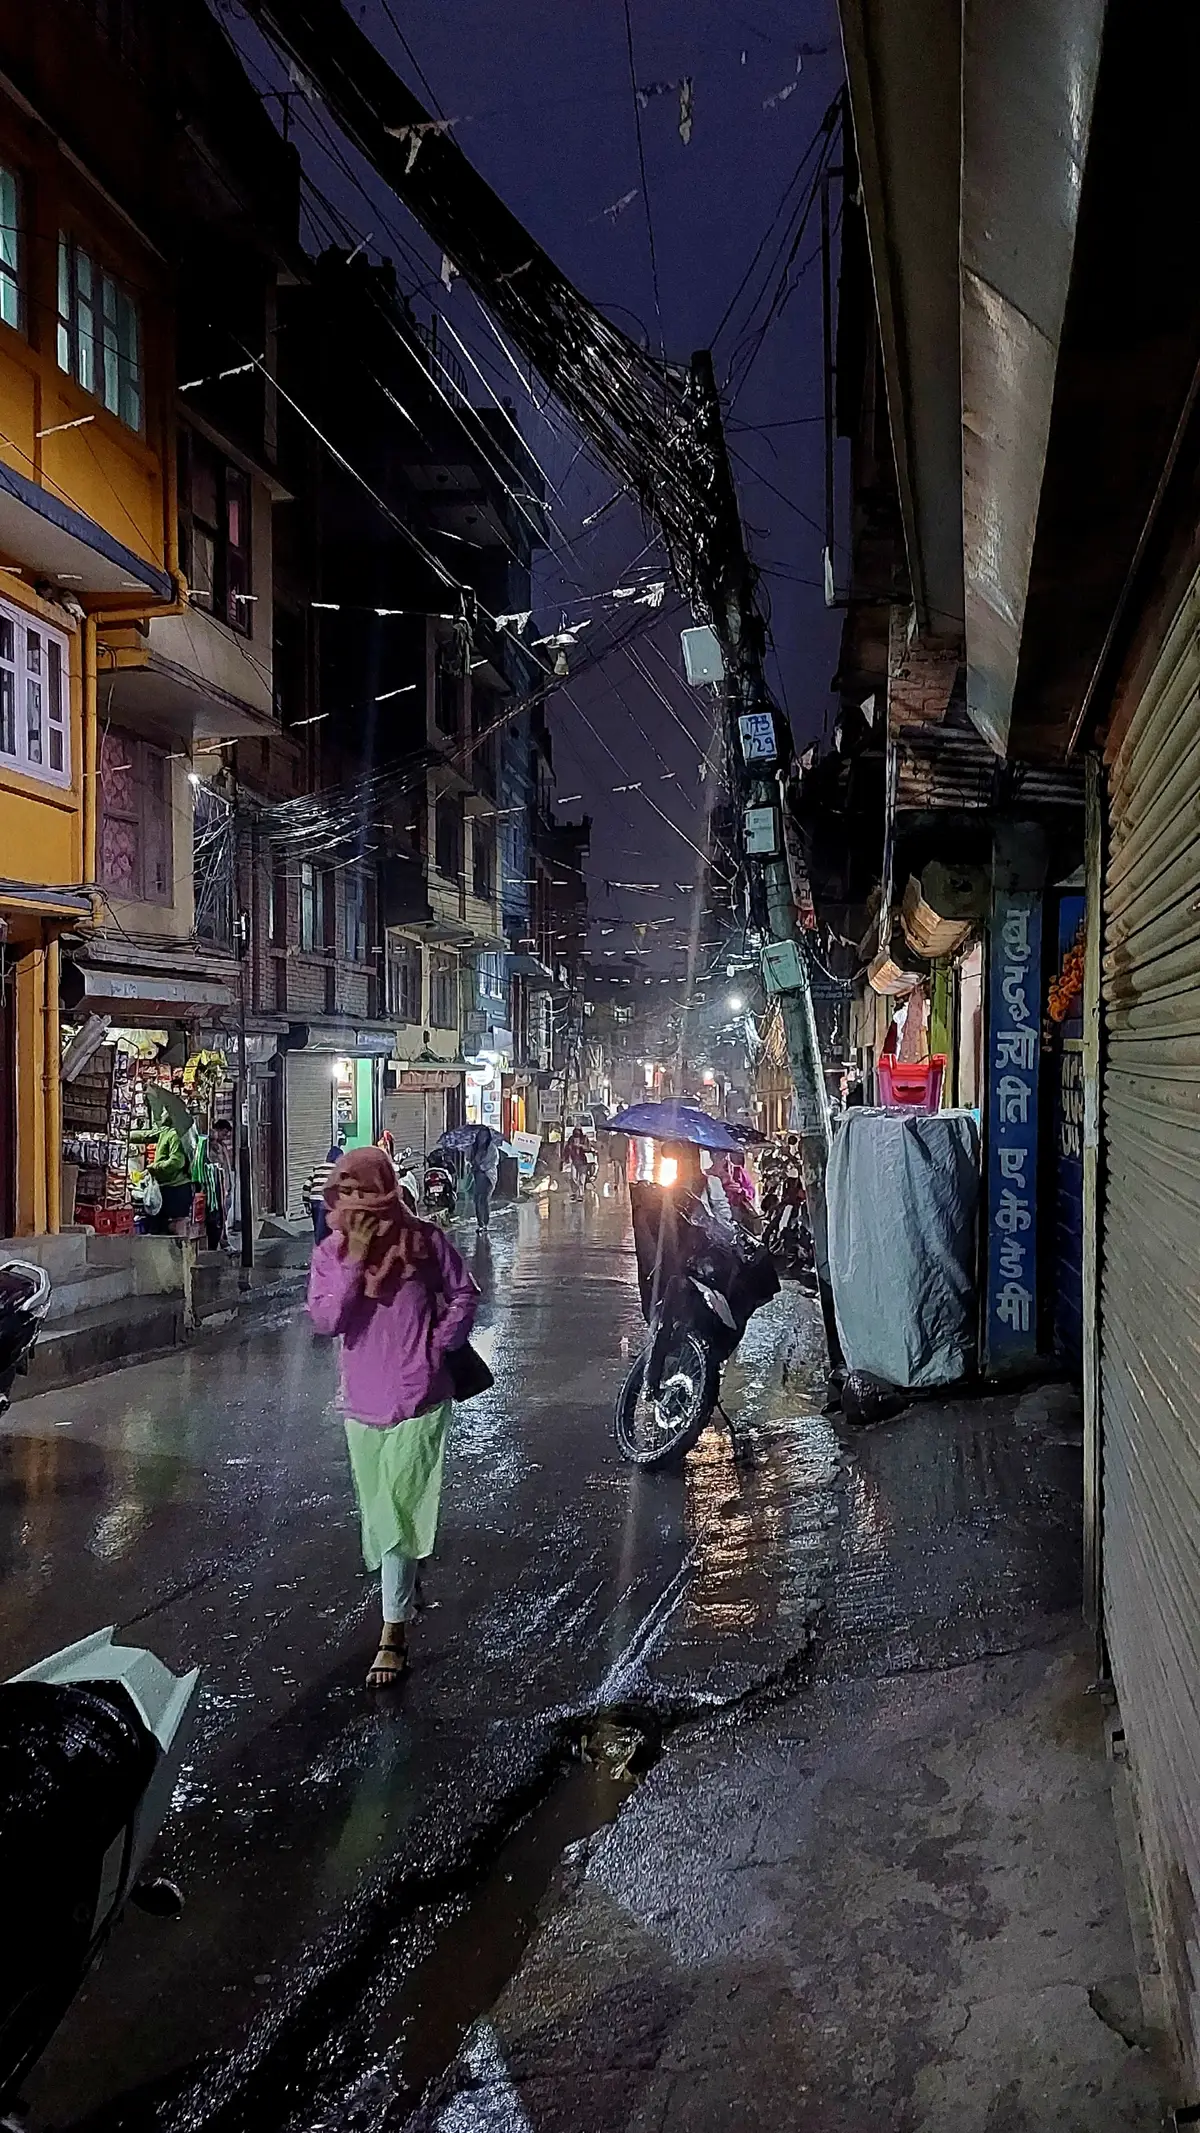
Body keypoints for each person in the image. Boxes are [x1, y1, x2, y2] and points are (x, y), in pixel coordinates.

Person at [307, 1147, 478, 1688]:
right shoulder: (330, 1253)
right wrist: (357, 1257)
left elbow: (463, 1293)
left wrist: (437, 1345)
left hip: (418, 1395)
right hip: (361, 1399)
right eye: (348, 1190)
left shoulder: (424, 1241)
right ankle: (405, 1578)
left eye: (365, 1190)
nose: (356, 1202)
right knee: (380, 1510)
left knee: (399, 1508)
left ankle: (393, 1634)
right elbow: (328, 1319)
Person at [204, 1119, 235, 1251]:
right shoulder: (212, 1147)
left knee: (224, 1217)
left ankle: (223, 1241)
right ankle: (221, 1242)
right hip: (220, 1187)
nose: (225, 1136)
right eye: (224, 1133)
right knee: (219, 1218)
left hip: (227, 1186)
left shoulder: (222, 1146)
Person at [305, 1140, 343, 1244]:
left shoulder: (317, 1167)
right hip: (328, 1202)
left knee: (318, 1228)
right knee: (329, 1229)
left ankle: (318, 1251)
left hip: (314, 1201)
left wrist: (306, 1204)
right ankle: (324, 1253)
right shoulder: (338, 1170)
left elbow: (306, 1186)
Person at [469, 1125, 499, 1230]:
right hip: (477, 1175)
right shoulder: (474, 1148)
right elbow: (469, 1159)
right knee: (477, 1199)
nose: (482, 1138)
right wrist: (472, 1164)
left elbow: (493, 1162)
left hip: (488, 1176)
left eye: (484, 1135)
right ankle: (480, 1223)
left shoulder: (491, 1148)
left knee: (484, 1199)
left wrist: (482, 1167)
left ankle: (485, 1221)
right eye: (480, 1135)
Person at [564, 1125, 591, 1196]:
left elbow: (588, 1148)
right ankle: (574, 1192)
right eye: (576, 1130)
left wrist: (581, 1146)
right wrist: (567, 1158)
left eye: (578, 1130)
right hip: (574, 1160)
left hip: (583, 1161)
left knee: (582, 1179)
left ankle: (581, 1194)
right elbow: (567, 1149)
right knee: (573, 1178)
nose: (577, 1132)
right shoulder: (571, 1139)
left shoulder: (584, 1138)